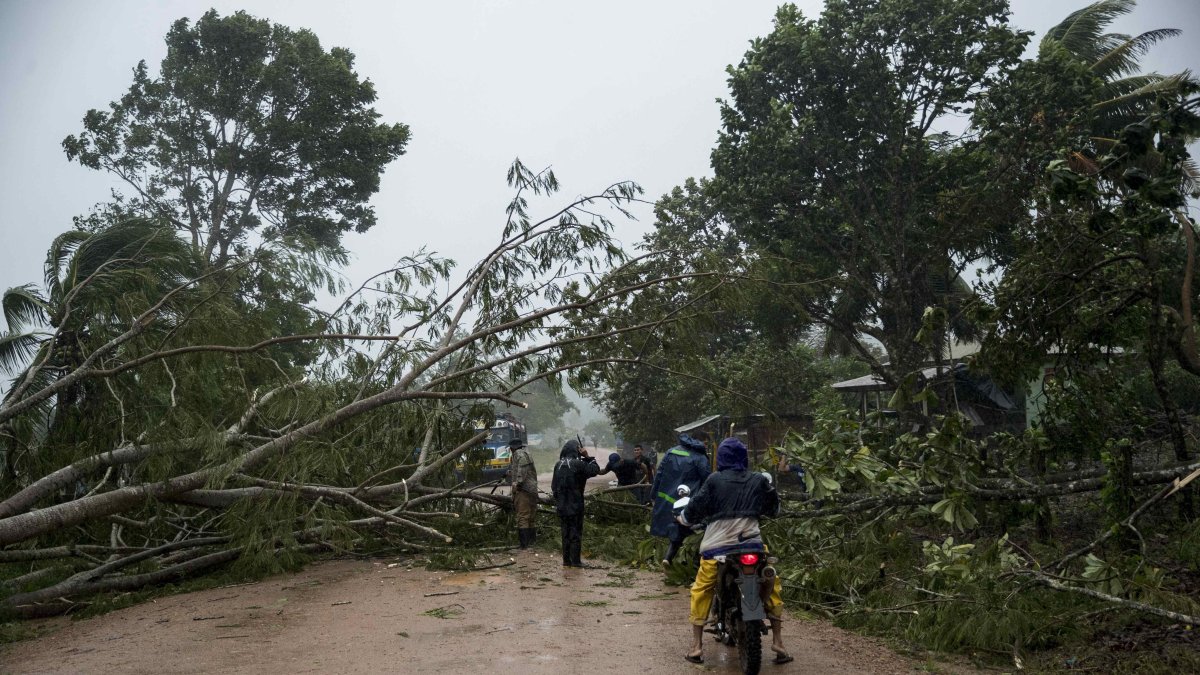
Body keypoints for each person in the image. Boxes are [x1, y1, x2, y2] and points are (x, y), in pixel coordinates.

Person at [678, 437, 792, 666]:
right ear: (744, 458)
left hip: (717, 549)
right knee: (772, 584)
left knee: (701, 589)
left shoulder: (714, 480)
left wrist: (682, 518)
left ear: (721, 458)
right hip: (753, 546)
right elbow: (774, 509)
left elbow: (692, 512)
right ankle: (779, 641)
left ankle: (697, 647)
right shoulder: (759, 479)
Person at [650, 434, 710, 566]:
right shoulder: (700, 457)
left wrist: (653, 495)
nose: (706, 445)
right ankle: (688, 560)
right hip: (690, 499)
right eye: (705, 442)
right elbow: (707, 481)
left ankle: (670, 556)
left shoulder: (671, 452)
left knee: (673, 526)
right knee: (691, 529)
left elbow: (659, 474)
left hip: (669, 498)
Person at [550, 439, 600, 568]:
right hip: (576, 505)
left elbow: (554, 487)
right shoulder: (578, 464)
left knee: (565, 533)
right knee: (575, 533)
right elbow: (595, 470)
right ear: (577, 450)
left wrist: (559, 500)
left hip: (561, 505)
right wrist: (587, 456)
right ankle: (576, 561)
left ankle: (566, 561)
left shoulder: (558, 465)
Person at [508, 438, 538, 548]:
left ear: (512, 448)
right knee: (531, 517)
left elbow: (522, 471)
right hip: (532, 489)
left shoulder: (518, 454)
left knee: (523, 517)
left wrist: (517, 484)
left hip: (523, 490)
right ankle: (532, 542)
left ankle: (524, 545)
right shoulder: (527, 453)